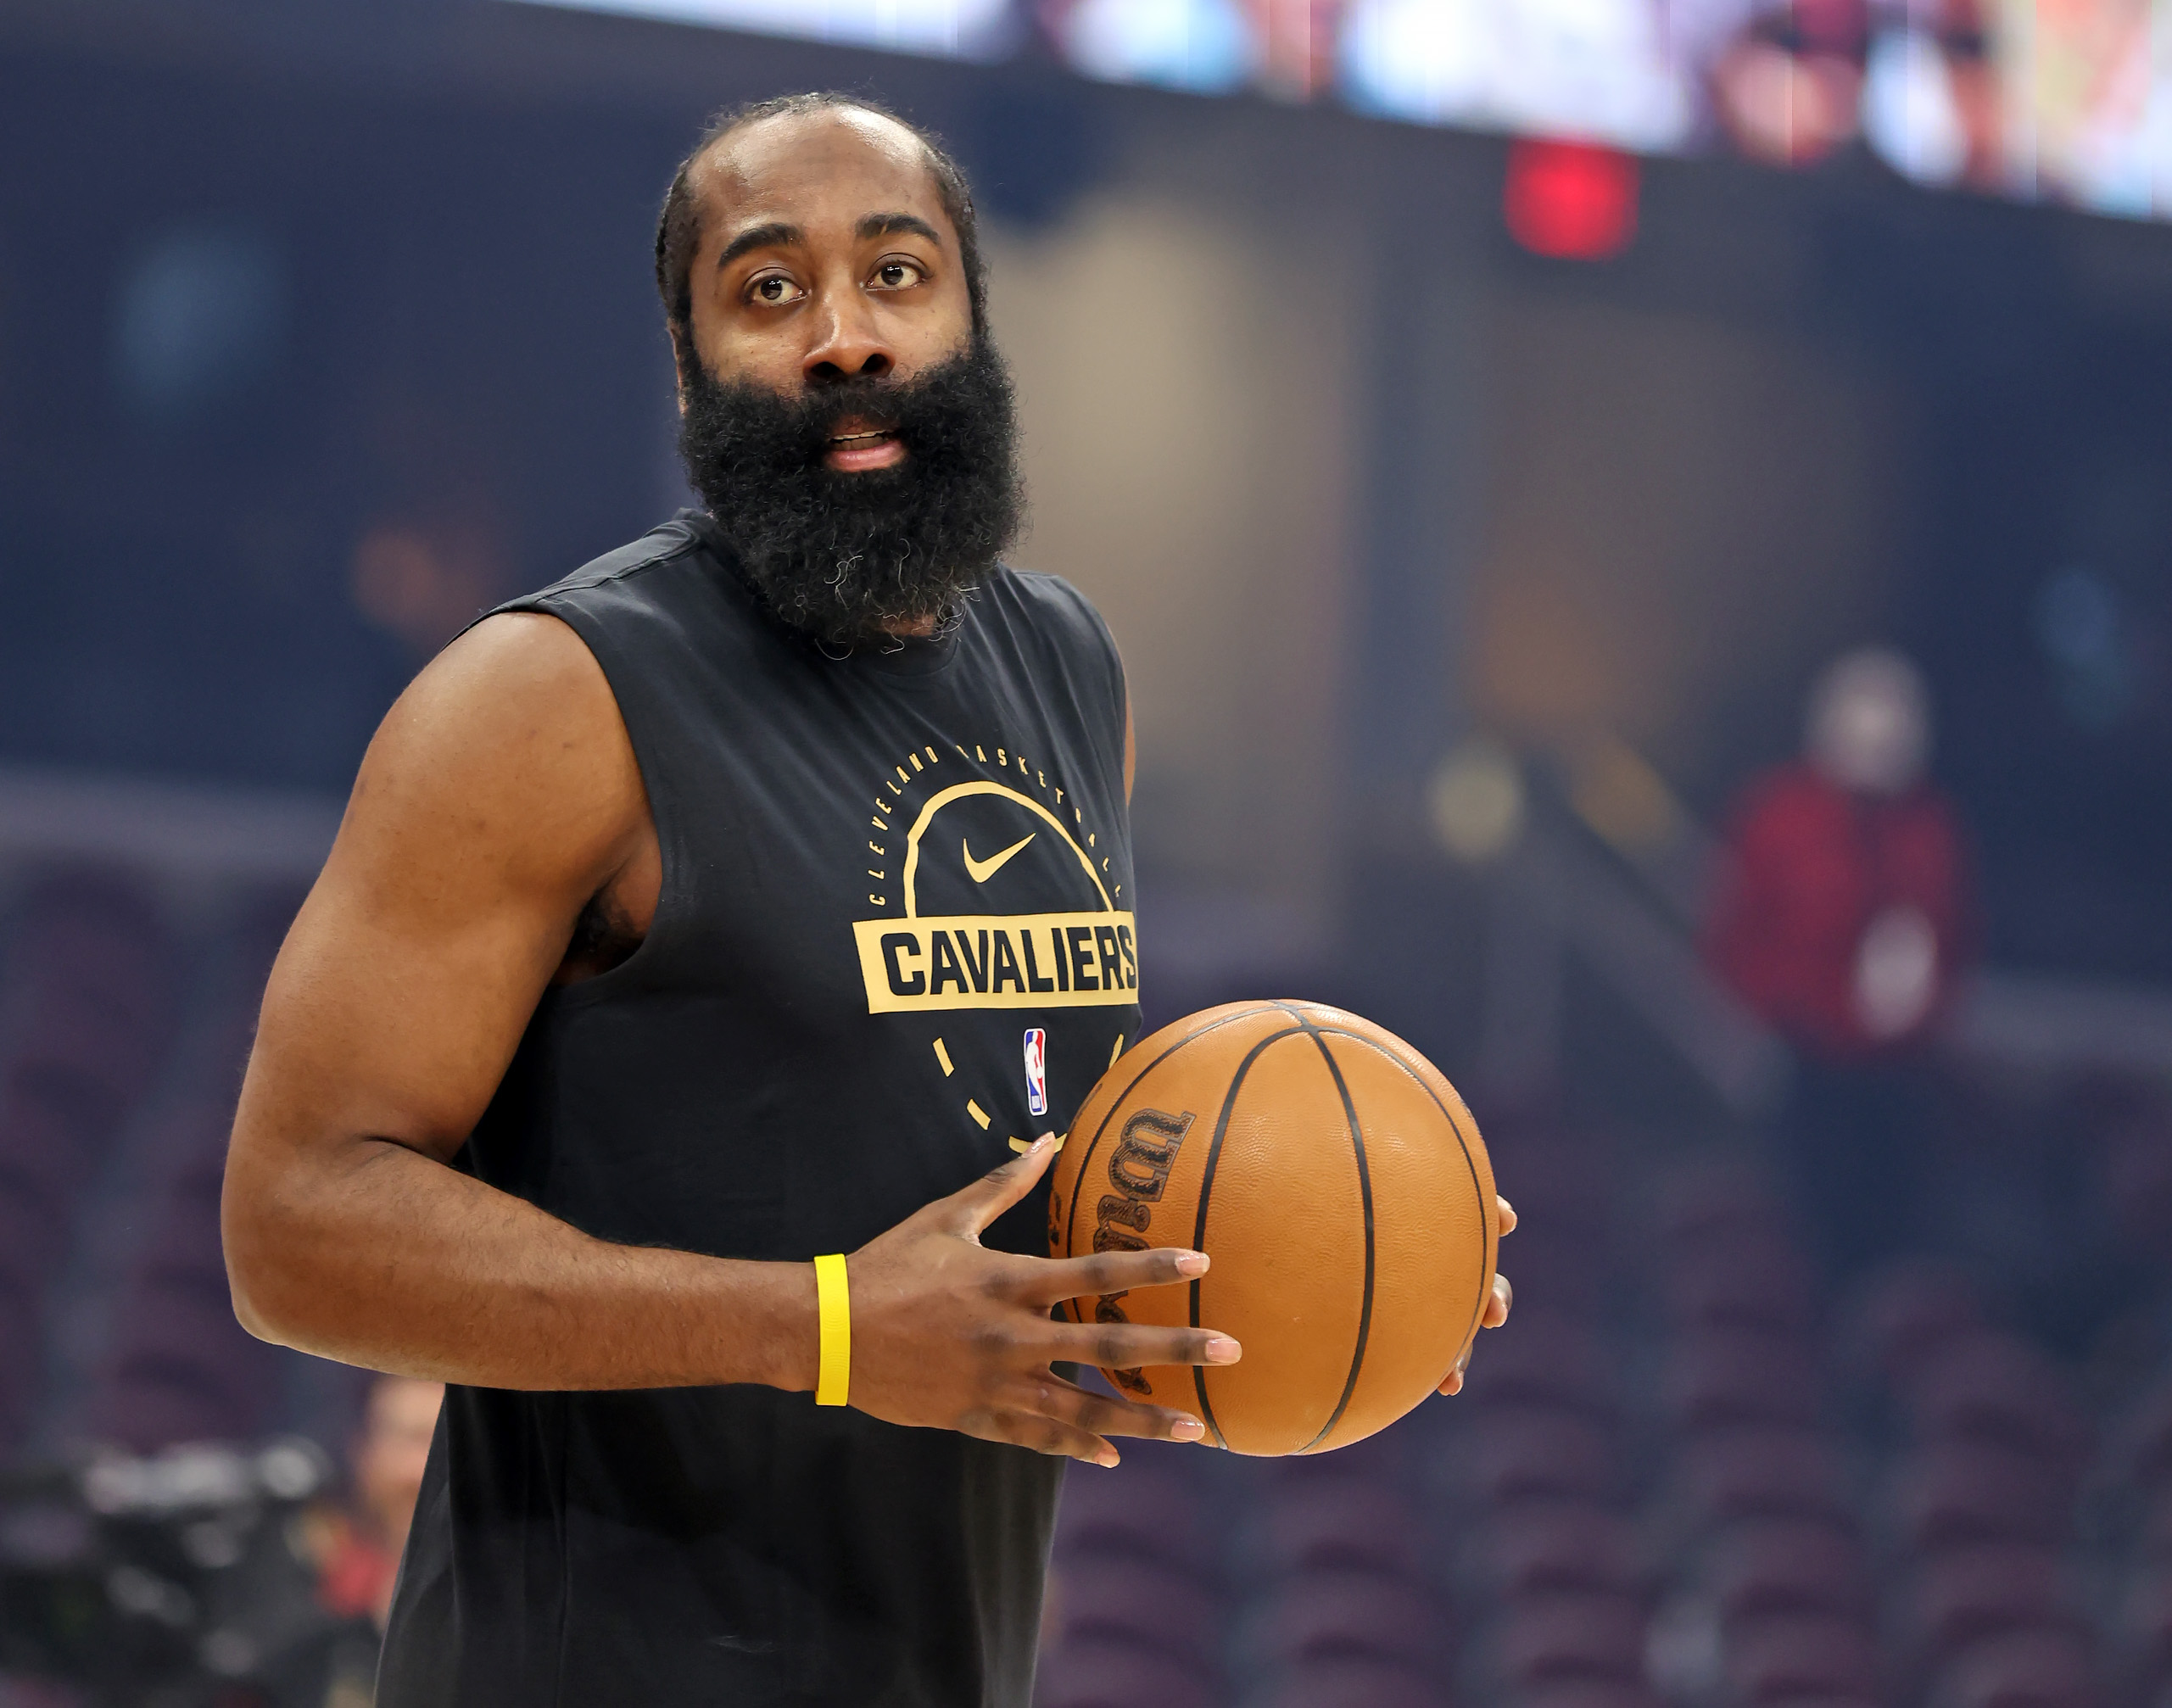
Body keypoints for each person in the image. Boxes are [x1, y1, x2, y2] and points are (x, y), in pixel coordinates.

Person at [221, 92, 1513, 1707]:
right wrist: (821, 1324)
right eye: (769, 289)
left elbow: (1004, 1153)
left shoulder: (1067, 668)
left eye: (897, 272)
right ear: (693, 367)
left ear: (973, 321)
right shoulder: (547, 698)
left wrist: (1343, 1243)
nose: (844, 334)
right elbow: (293, 1228)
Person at [1703, 645, 1974, 1277]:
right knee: (1800, 1233)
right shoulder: (1779, 816)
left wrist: (1924, 1010)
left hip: (1900, 1073)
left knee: (1891, 1237)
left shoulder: (1930, 826)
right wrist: (1774, 1015)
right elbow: (1736, 934)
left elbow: (1954, 936)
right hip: (1805, 1062)